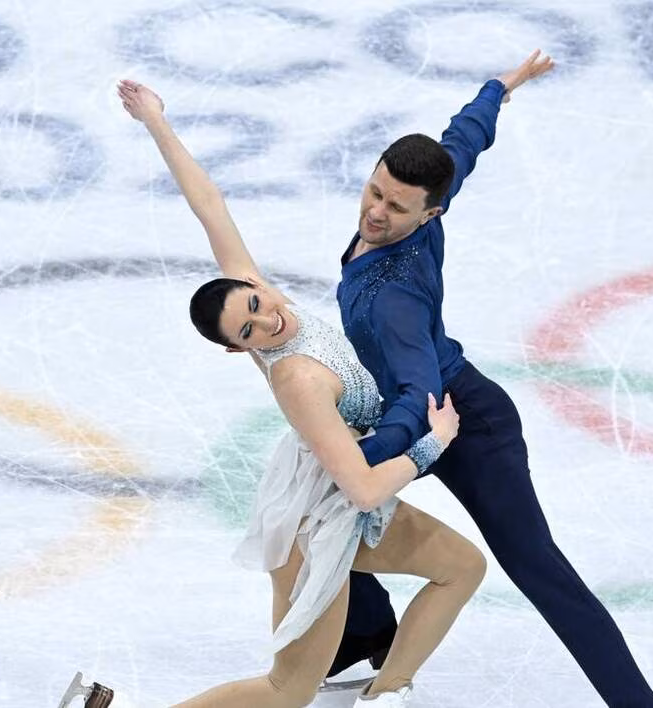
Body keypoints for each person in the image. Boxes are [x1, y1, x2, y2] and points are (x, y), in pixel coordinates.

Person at [63, 78, 488, 708]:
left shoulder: (268, 303)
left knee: (462, 568)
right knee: (288, 692)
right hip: (314, 521)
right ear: (240, 347)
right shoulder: (297, 378)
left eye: (257, 303)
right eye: (250, 329)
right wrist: (434, 443)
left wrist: (155, 122)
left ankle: (387, 694)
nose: (268, 321)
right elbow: (365, 487)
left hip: (337, 503)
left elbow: (209, 205)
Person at [332, 49, 653, 707]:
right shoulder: (428, 197)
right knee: (319, 500)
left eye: (397, 208)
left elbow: (418, 392)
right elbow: (460, 145)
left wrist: (366, 455)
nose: (376, 214)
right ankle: (365, 628)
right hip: (430, 405)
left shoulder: (391, 297)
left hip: (461, 423)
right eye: (375, 193)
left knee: (539, 568)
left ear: (429, 215)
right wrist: (498, 89)